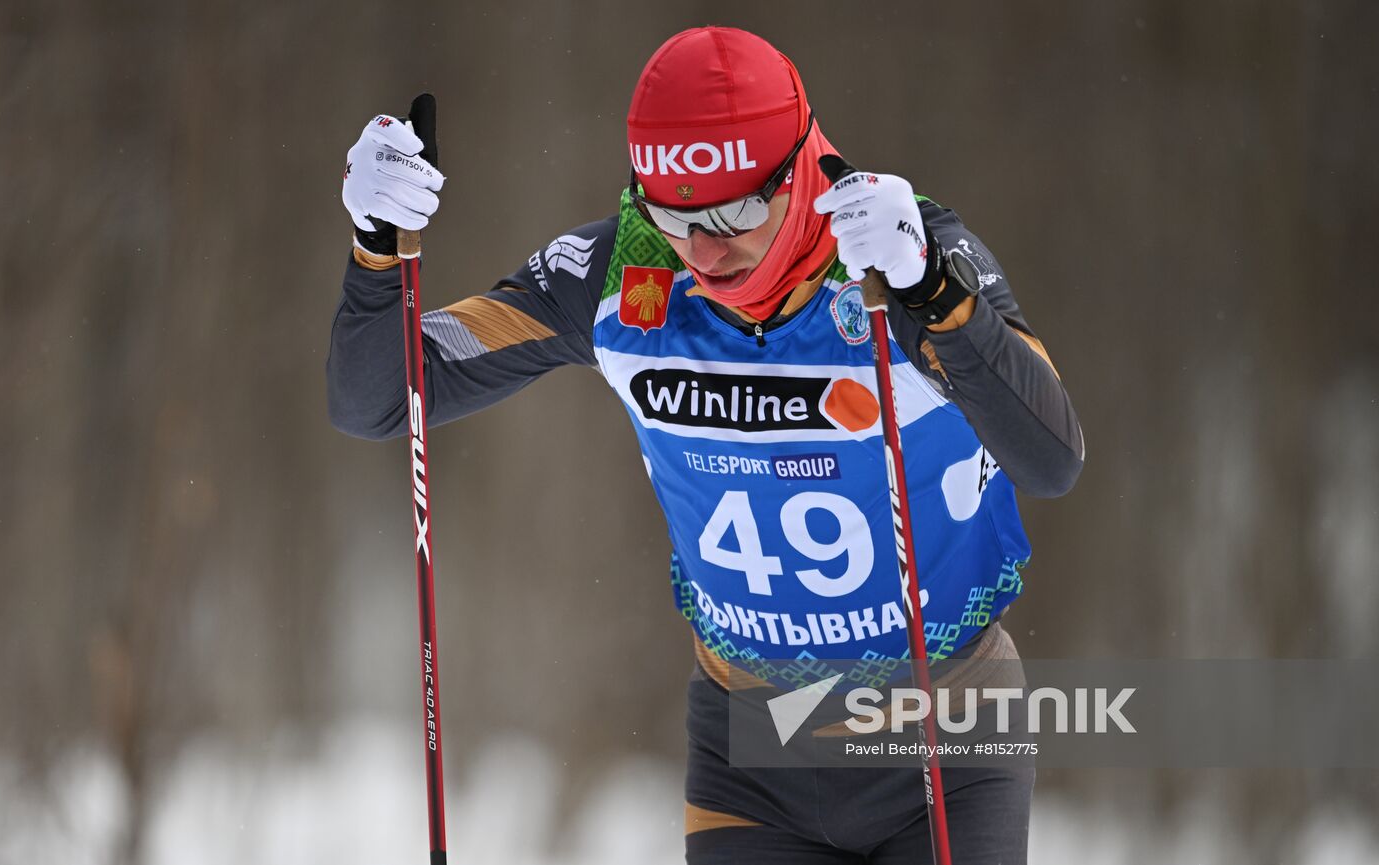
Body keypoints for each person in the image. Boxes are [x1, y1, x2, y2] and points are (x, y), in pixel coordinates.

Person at [329, 25, 1082, 865]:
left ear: (798, 174)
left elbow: (1051, 457)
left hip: (946, 736)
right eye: (676, 214)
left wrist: (932, 289)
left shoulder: (895, 258)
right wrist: (375, 248)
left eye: (734, 212)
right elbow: (378, 399)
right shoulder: (622, 274)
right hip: (752, 751)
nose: (706, 250)